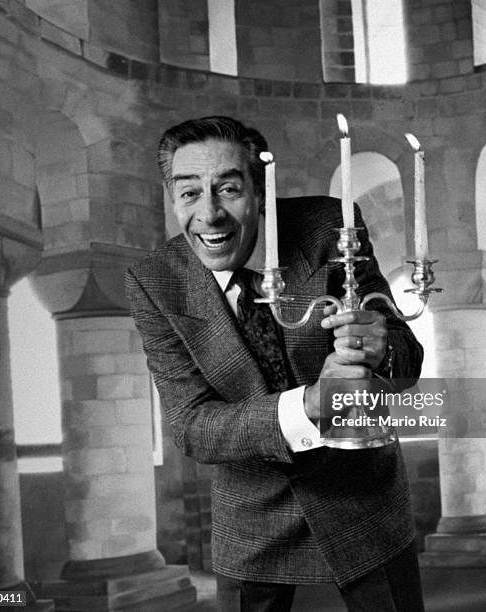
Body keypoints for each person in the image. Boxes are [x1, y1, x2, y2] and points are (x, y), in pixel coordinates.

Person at [125, 116, 425, 611]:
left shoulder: (331, 227)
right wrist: (308, 405)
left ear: (261, 190)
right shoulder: (154, 282)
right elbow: (192, 426)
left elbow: (406, 356)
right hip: (252, 510)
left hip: (363, 494)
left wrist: (381, 348)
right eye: (189, 193)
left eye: (227, 189)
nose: (210, 214)